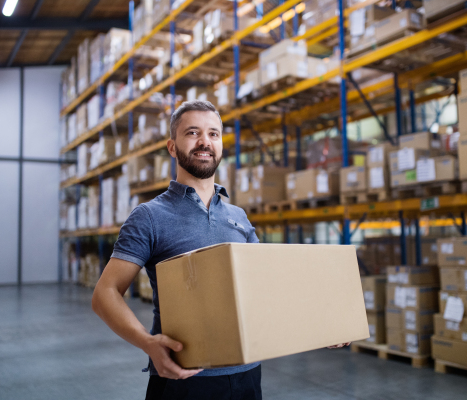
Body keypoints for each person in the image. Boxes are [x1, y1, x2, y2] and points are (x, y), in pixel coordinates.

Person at [92, 100, 348, 400]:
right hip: (184, 377)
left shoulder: (238, 216)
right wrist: (147, 343)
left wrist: (322, 323)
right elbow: (105, 294)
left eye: (214, 134)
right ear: (172, 147)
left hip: (247, 373)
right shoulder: (149, 216)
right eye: (192, 133)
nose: (205, 142)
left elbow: (268, 285)